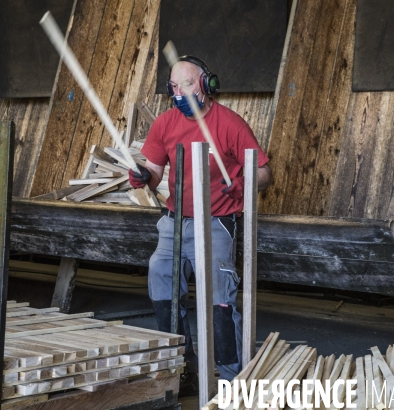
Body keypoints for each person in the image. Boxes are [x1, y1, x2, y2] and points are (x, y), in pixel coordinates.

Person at [128, 56, 273, 393]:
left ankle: (231, 378)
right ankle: (182, 370)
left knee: (219, 300)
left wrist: (242, 182)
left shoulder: (231, 123)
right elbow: (153, 171)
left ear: (207, 84)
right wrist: (142, 177)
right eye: (174, 87)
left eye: (188, 85)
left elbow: (266, 173)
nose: (180, 94)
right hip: (175, 222)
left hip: (218, 221)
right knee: (160, 282)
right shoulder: (165, 123)